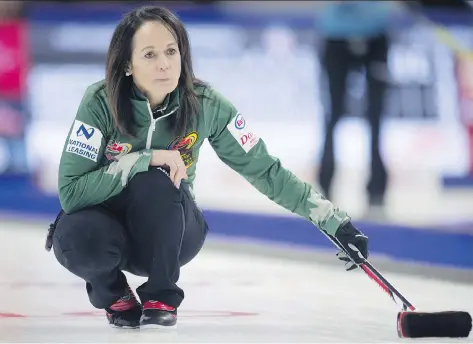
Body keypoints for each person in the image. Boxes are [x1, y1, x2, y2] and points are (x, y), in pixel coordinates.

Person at [45, 6, 369, 330]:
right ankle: (113, 293)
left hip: (172, 234)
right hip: (108, 231)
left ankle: (161, 296)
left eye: (172, 51)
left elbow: (265, 170)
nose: (164, 63)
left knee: (156, 181)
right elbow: (71, 192)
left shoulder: (206, 104)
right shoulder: (100, 101)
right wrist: (144, 157)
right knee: (74, 233)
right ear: (127, 64)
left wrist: (332, 221)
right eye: (149, 54)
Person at [315, 1, 401, 216]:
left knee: (376, 117)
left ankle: (377, 192)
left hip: (375, 37)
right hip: (336, 35)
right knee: (333, 114)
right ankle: (326, 187)